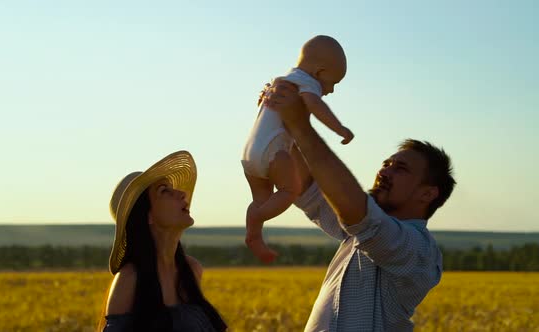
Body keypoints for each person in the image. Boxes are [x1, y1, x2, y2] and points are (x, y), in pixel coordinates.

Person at [263, 81, 456, 331]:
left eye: (401, 169)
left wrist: (300, 125)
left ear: (427, 193)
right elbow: (306, 185)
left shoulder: (419, 250)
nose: (384, 171)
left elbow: (355, 208)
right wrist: (279, 118)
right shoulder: (357, 235)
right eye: (386, 164)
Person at [242, 35, 354, 263]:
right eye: (332, 83)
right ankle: (256, 219)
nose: (331, 90)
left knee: (262, 196)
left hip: (249, 153)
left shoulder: (278, 82)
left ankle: (254, 234)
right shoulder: (306, 82)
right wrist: (339, 128)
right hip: (273, 153)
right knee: (290, 190)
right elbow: (316, 106)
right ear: (319, 72)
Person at [98, 151, 227, 332]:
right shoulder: (129, 280)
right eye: (164, 190)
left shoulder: (191, 270)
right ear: (147, 215)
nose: (182, 194)